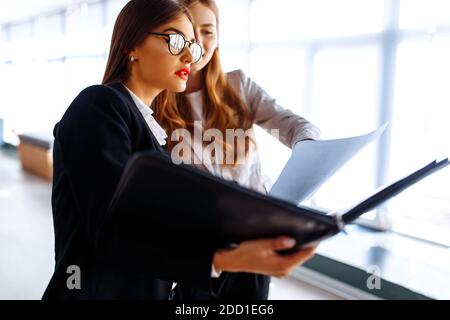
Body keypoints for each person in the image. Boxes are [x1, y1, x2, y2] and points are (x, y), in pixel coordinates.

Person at [42, 0, 316, 300]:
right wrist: (226, 259)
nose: (190, 53)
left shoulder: (154, 137)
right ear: (131, 44)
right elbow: (112, 232)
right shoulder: (99, 105)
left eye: (194, 45)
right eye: (175, 40)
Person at [161, 0, 322, 300]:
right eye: (188, 32)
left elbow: (294, 126)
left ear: (219, 36)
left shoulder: (239, 86)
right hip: (201, 246)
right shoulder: (158, 98)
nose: (198, 42)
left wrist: (309, 152)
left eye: (207, 31)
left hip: (255, 238)